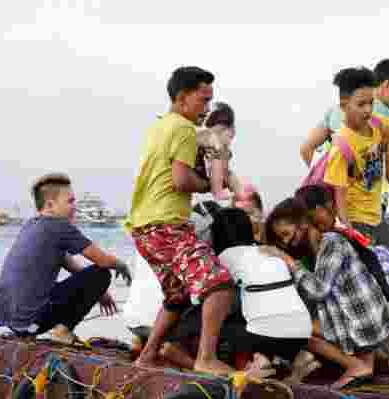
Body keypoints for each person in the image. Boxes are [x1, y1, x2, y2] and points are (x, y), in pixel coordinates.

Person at [125, 66, 236, 376]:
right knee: (220, 285)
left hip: (143, 226)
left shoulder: (160, 126)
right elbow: (181, 180)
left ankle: (147, 355)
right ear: (183, 97)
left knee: (177, 296)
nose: (206, 108)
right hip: (166, 225)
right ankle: (206, 357)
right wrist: (211, 184)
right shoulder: (184, 129)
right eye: (203, 100)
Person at [263, 185, 389, 389]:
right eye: (282, 239)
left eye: (287, 233)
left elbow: (318, 290)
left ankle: (357, 366)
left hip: (365, 324)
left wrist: (288, 261)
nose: (287, 241)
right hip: (364, 321)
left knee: (298, 331)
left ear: (303, 223)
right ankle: (365, 362)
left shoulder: (331, 242)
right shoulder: (320, 248)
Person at [170, 208, 320, 382]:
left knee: (204, 321)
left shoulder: (223, 258)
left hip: (264, 336)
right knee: (258, 315)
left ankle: (255, 365)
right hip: (301, 332)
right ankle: (297, 358)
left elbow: (199, 300)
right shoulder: (268, 251)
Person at [0, 173, 130, 343]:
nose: (74, 207)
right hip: (32, 322)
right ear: (50, 205)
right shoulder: (59, 226)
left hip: (11, 321)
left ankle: (31, 331)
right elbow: (103, 261)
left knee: (87, 279)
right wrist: (123, 266)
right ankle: (62, 330)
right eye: (70, 202)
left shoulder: (31, 225)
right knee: (102, 274)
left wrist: (100, 292)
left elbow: (71, 265)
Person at [300, 59, 389, 233]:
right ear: (387, 85)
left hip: (336, 211)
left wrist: (326, 179)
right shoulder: (388, 119)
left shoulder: (337, 109)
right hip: (364, 214)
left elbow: (306, 149)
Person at [322, 67, 389, 249]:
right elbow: (338, 194)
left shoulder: (378, 123)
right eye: (361, 104)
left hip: (377, 218)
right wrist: (348, 230)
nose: (367, 110)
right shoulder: (341, 147)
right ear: (344, 106)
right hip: (356, 221)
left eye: (371, 103)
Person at [195, 102, 242, 202]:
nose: (233, 134)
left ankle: (241, 198)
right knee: (218, 156)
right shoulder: (209, 136)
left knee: (230, 176)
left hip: (204, 168)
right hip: (199, 166)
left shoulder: (222, 147)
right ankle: (218, 191)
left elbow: (225, 172)